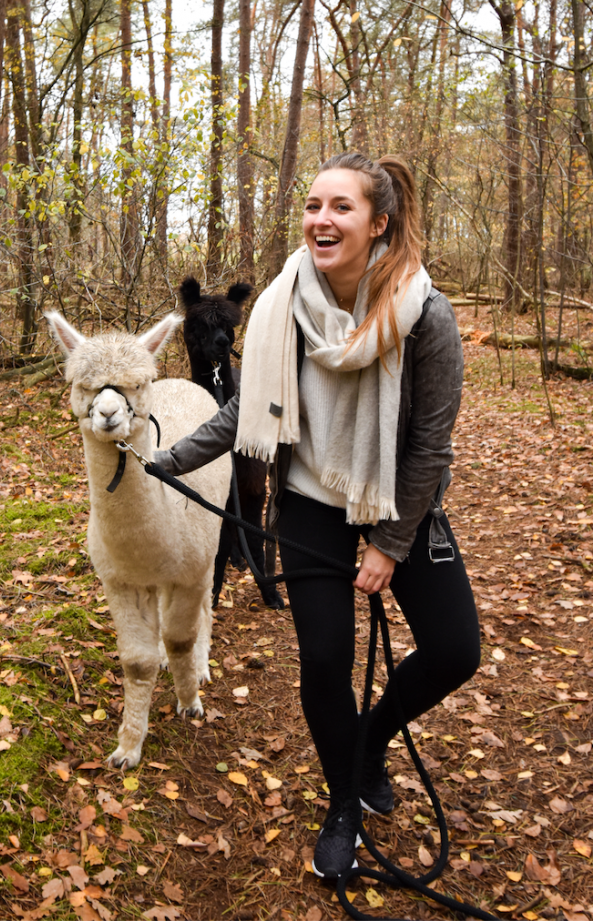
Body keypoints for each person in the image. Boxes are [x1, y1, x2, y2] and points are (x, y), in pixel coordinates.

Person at [153, 153, 480, 879]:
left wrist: (391, 545)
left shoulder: (425, 313)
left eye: (339, 207)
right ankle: (342, 801)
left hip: (398, 499)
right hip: (309, 501)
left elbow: (429, 445)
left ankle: (366, 744)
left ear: (377, 223)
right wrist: (168, 460)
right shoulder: (282, 305)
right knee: (326, 659)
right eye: (311, 206)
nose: (320, 220)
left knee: (456, 650)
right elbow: (247, 411)